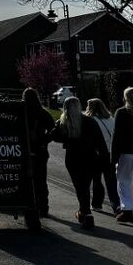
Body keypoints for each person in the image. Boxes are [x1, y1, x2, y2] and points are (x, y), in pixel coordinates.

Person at [47, 95, 109, 229]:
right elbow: (100, 142)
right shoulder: (89, 121)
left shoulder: (63, 122)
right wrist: (104, 156)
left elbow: (52, 137)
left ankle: (85, 213)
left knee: (79, 186)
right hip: (90, 157)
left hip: (73, 158)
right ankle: (85, 212)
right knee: (85, 186)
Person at [110, 87, 133, 228]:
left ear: (125, 98)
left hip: (127, 152)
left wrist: (113, 157)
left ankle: (127, 210)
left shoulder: (122, 112)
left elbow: (116, 136)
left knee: (123, 180)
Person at [22, 87, 54, 216]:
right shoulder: (42, 112)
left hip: (24, 149)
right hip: (40, 150)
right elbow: (53, 129)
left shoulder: (22, 111)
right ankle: (43, 207)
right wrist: (44, 140)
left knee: (26, 179)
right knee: (41, 180)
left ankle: (28, 205)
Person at [84, 98, 119, 213]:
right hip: (110, 153)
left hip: (97, 154)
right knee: (111, 181)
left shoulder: (91, 120)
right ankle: (116, 205)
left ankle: (97, 203)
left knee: (97, 180)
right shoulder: (111, 119)